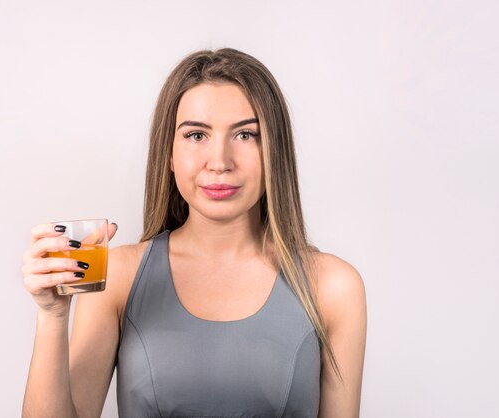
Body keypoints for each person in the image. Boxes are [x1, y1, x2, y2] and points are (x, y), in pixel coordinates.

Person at [21, 47, 367, 418]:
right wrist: (52, 316)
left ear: (275, 152)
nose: (219, 162)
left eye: (246, 134)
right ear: (168, 155)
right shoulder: (118, 278)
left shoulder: (332, 287)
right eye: (196, 136)